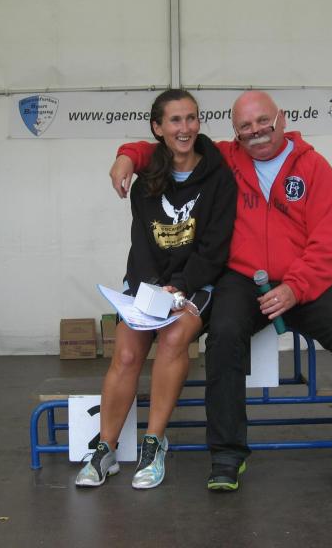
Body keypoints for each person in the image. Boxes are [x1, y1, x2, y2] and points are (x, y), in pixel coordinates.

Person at [111, 90, 332, 491]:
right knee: (223, 336)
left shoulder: (315, 168)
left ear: (281, 119)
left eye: (263, 121)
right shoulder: (225, 158)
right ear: (235, 132)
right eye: (245, 126)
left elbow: (329, 242)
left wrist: (295, 288)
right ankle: (227, 455)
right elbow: (171, 147)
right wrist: (127, 156)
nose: (256, 131)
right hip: (242, 279)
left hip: (304, 280)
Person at [76, 89, 236, 490]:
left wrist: (178, 287)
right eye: (175, 120)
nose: (185, 128)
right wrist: (150, 287)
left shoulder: (219, 175)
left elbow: (214, 247)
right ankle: (105, 448)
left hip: (194, 282)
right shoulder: (146, 178)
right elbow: (142, 241)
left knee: (173, 340)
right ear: (158, 128)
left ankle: (154, 443)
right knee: (127, 353)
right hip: (147, 280)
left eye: (191, 118)